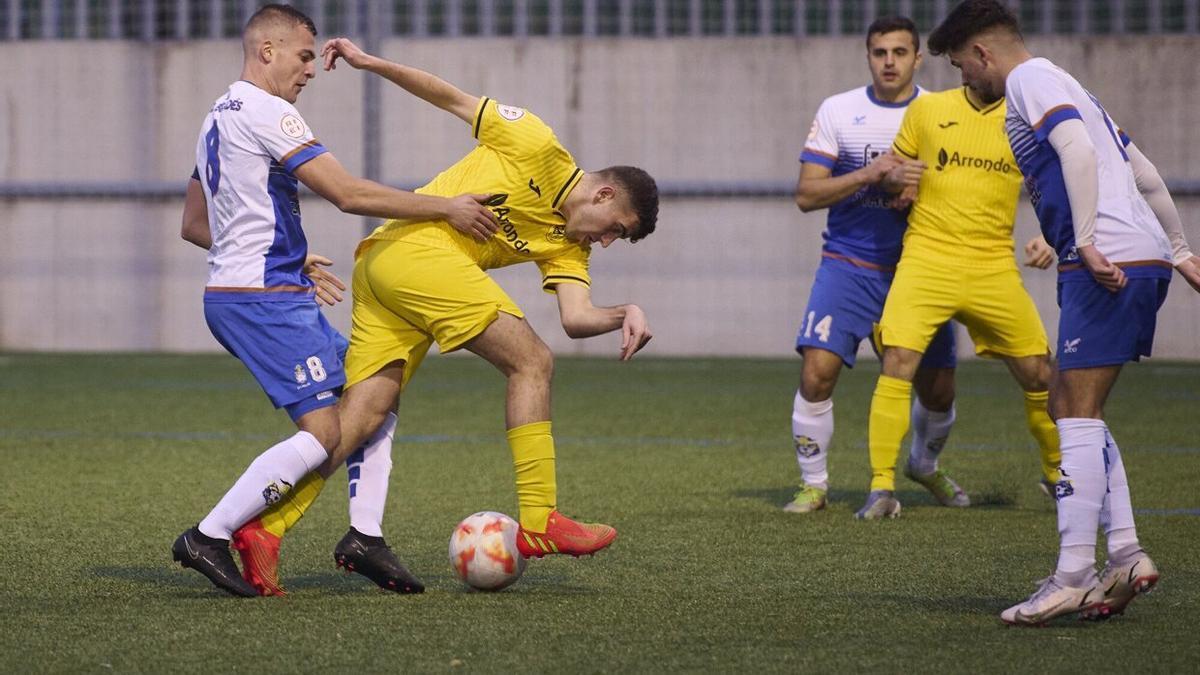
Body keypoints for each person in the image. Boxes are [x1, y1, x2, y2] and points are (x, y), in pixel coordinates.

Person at [230, 36, 660, 595]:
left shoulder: (567, 246)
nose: (606, 241)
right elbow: (449, 97)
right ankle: (540, 520)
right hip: (411, 253)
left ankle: (267, 529)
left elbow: (577, 317)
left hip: (385, 273)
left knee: (360, 417)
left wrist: (624, 311)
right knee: (531, 360)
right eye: (615, 229)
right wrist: (369, 61)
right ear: (603, 195)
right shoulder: (536, 143)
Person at [172, 4, 498, 597]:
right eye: (302, 56)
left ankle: (364, 536)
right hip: (262, 298)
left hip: (250, 288)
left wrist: (285, 255)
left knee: (378, 386)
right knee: (324, 433)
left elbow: (196, 223)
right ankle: (210, 534)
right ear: (266, 51)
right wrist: (448, 207)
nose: (310, 70)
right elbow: (347, 194)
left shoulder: (215, 117)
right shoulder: (271, 112)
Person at [927, 0, 1200, 624]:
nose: (964, 80)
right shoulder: (1072, 83)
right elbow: (1143, 171)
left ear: (983, 54)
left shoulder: (1027, 80)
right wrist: (1179, 250)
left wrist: (1085, 240)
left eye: (960, 66)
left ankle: (1073, 573)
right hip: (1142, 256)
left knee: (1072, 408)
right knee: (1070, 405)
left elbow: (1075, 150)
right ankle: (1126, 555)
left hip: (1104, 260)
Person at [858, 71, 1068, 521]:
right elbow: (892, 174)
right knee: (897, 360)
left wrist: (1050, 238)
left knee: (1038, 372)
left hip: (993, 265)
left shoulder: (1024, 121)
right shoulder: (929, 109)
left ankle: (1059, 478)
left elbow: (1060, 188)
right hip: (926, 259)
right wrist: (895, 178)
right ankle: (881, 488)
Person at [786, 16, 965, 515]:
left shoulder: (939, 113)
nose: (889, 62)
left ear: (917, 58)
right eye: (880, 52)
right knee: (816, 372)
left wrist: (910, 188)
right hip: (847, 266)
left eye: (900, 52)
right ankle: (814, 485)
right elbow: (806, 194)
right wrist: (871, 173)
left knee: (939, 388)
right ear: (868, 56)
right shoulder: (839, 111)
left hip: (919, 269)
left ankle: (924, 465)